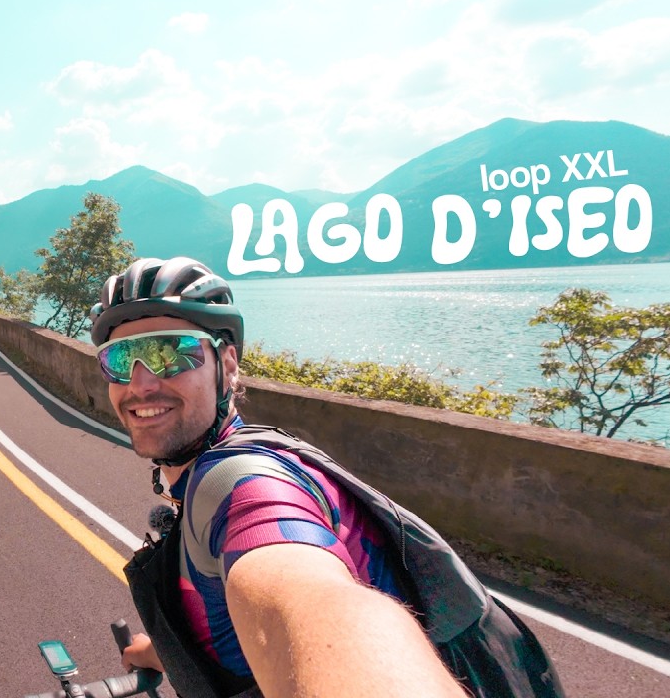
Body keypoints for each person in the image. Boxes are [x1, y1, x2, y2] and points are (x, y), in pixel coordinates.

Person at [92, 257, 562, 698]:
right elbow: (231, 639)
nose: (141, 383)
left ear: (227, 364)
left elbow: (317, 605)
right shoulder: (206, 480)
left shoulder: (243, 486)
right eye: (120, 359)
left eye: (171, 353)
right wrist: (156, 651)